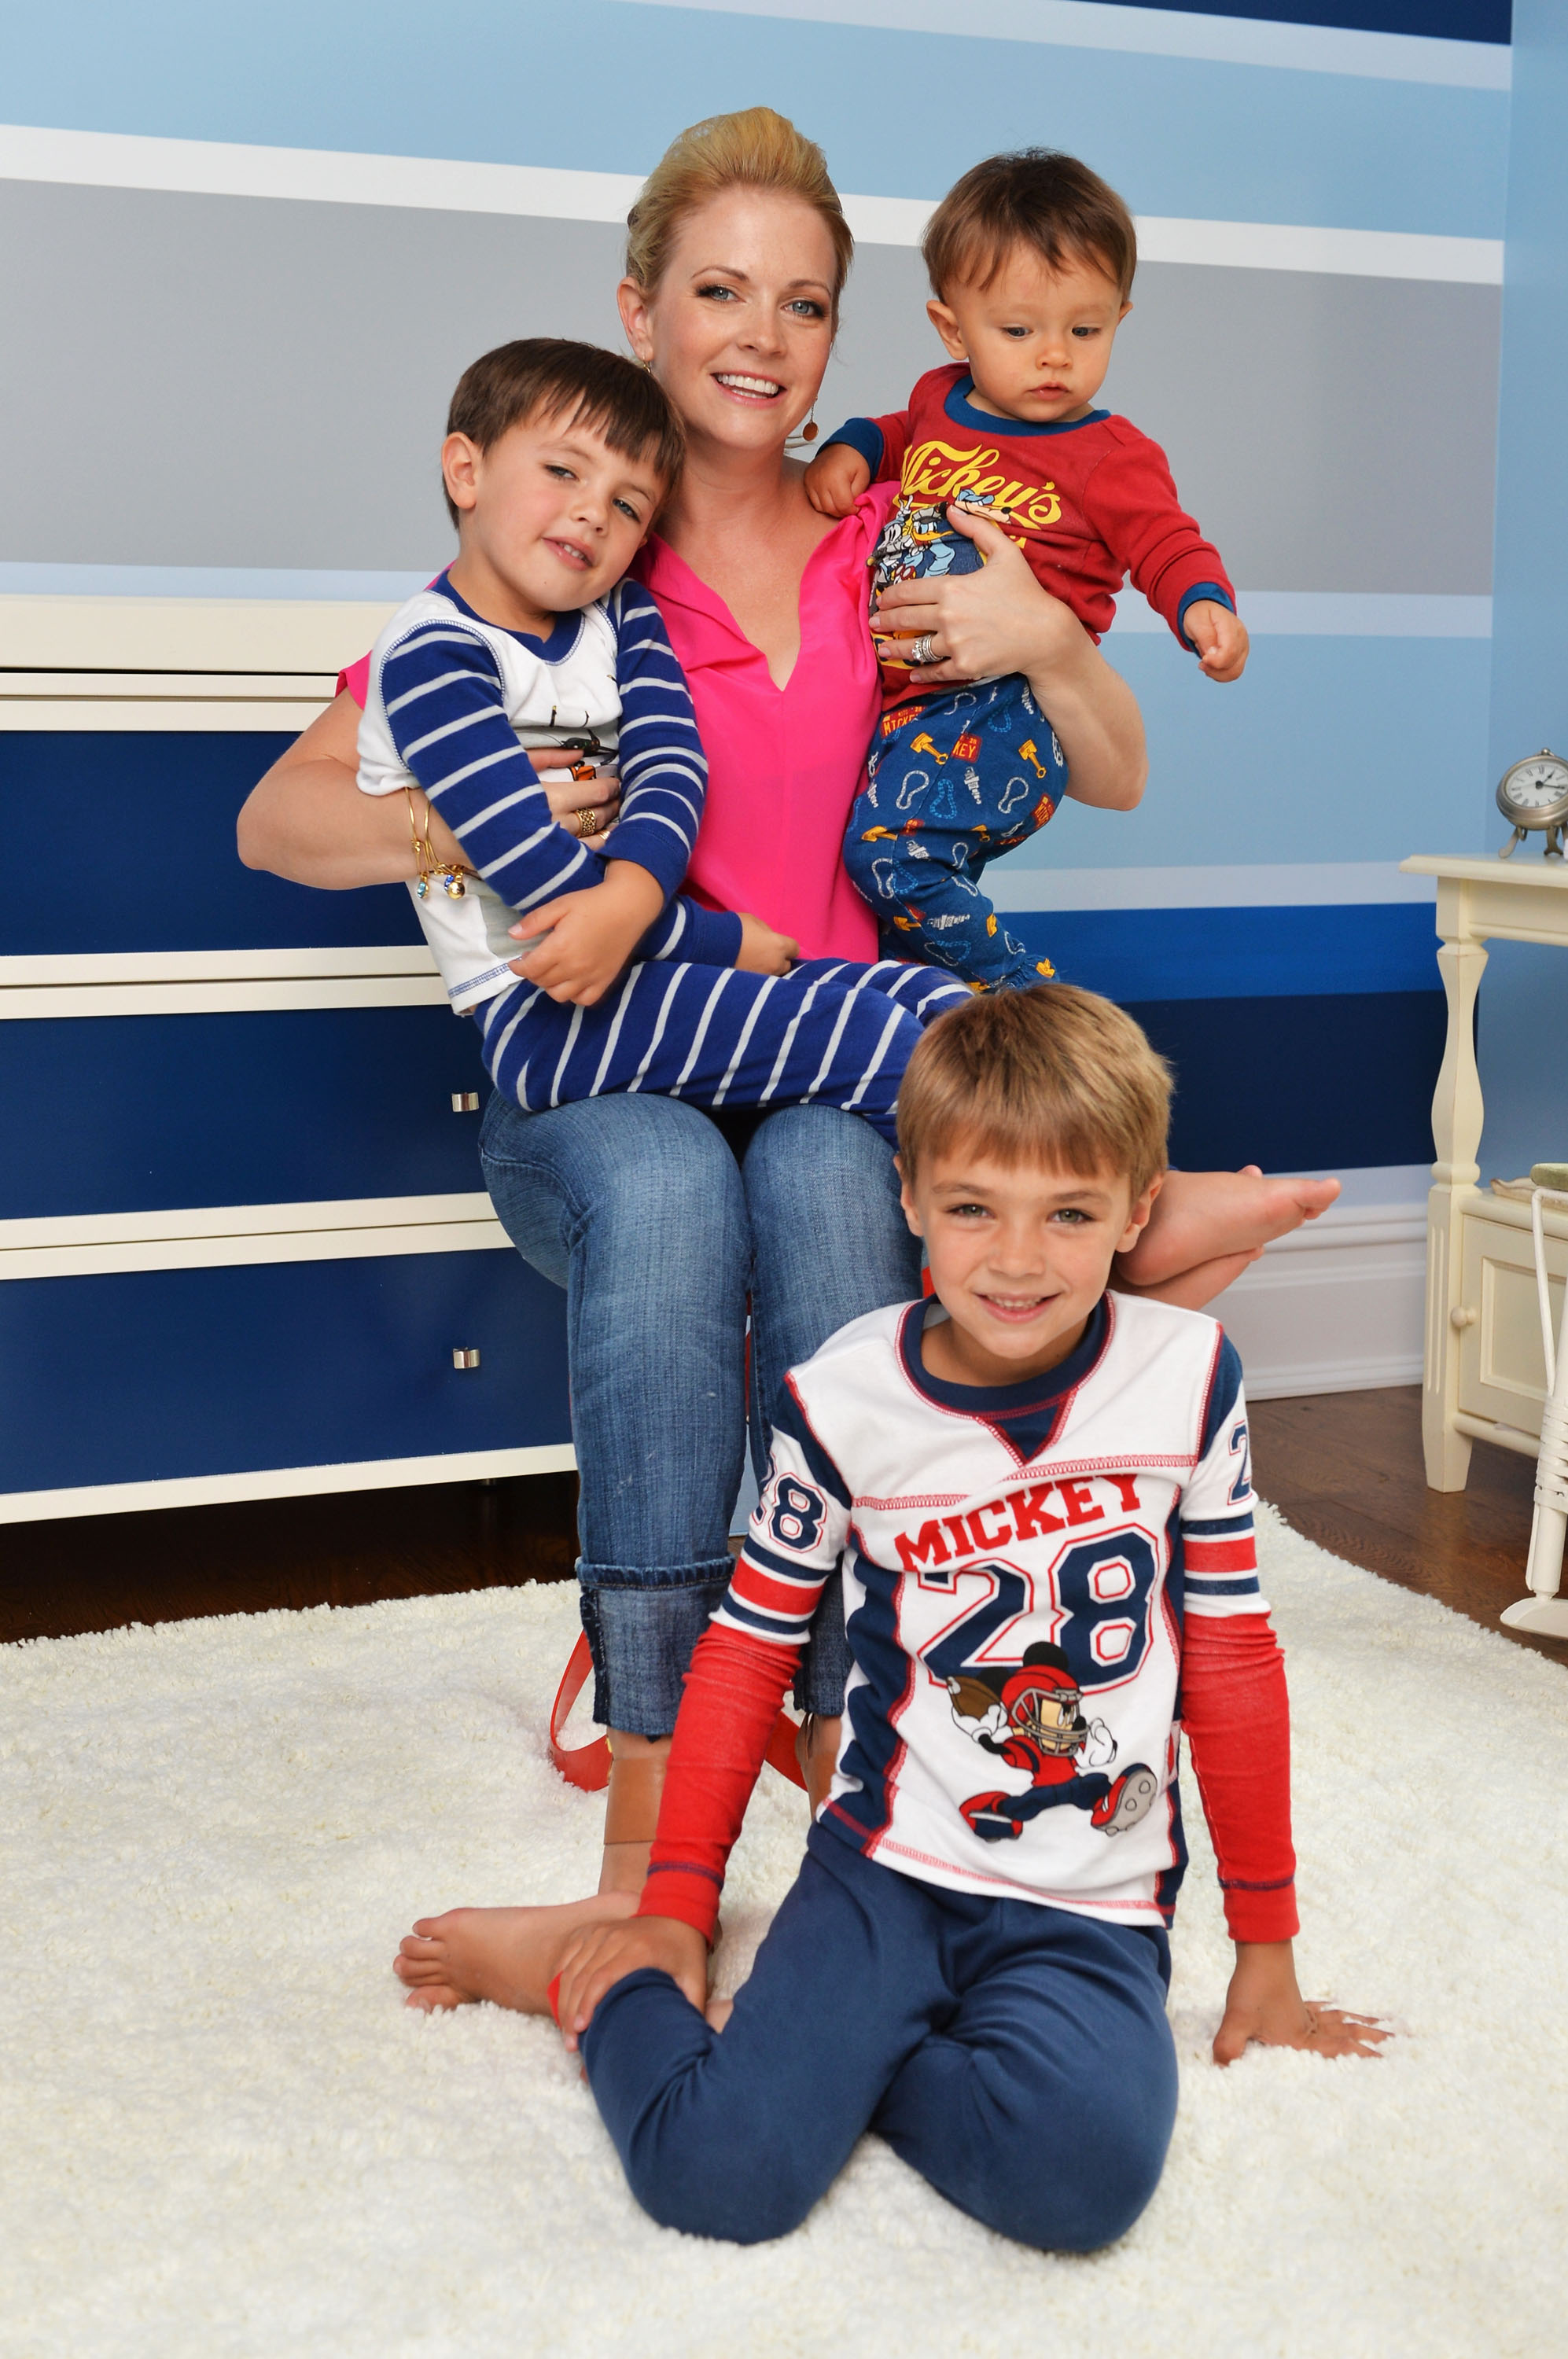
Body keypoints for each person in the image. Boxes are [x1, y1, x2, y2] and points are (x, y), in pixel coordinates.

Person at [238, 107, 1335, 1906]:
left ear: (841, 334)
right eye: (717, 292)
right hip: (609, 1080)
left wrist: (1044, 640)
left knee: (826, 1186)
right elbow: (282, 821)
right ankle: (652, 1668)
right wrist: (496, 825)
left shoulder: (891, 523)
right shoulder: (577, 536)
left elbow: (1115, 772)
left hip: (824, 1069)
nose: (759, 335)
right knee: (673, 1184)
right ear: (640, 309)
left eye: (802, 302)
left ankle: (854, 1691)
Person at [398, 986, 1386, 2250]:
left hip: (1089, 1900)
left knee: (1082, 2186)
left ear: (1139, 1213)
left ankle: (824, 2053)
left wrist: (1266, 1943)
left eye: (1069, 1216)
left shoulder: (1188, 1379)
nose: (1016, 1261)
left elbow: (1234, 1662)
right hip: (887, 1877)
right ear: (909, 1199)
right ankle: (587, 1980)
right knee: (720, 2178)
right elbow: (751, 1654)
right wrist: (673, 1905)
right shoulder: (843, 1397)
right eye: (972, 1209)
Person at [358, 331, 968, 1132]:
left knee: (943, 1009)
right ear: (467, 472)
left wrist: (643, 896)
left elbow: (672, 766)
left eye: (627, 504)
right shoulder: (434, 655)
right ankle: (980, 1238)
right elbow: (525, 859)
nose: (591, 512)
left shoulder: (623, 614)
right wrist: (713, 939)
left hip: (646, 952)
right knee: (892, 1052)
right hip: (541, 1006)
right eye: (563, 472)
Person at [807, 149, 1250, 993]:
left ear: (1119, 317)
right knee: (888, 888)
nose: (1053, 356)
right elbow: (894, 427)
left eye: (1083, 331)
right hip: (907, 709)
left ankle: (1024, 999)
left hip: (1004, 705)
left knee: (890, 855)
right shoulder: (939, 398)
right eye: (1017, 331)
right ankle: (946, 1017)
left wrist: (1202, 605)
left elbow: (1165, 540)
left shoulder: (1109, 457)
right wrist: (850, 450)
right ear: (952, 328)